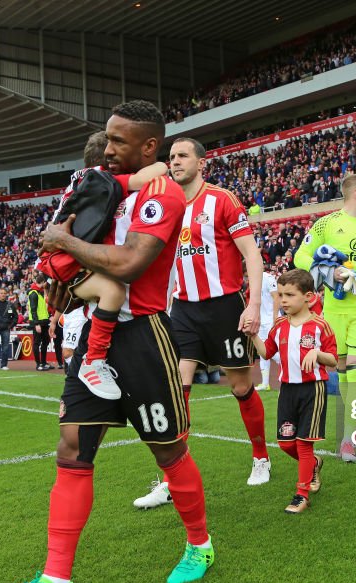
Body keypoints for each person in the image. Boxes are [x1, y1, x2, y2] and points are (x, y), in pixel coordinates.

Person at [0, 101, 213, 583]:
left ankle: (199, 544)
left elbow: (132, 263)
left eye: (118, 141)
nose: (108, 148)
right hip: (99, 333)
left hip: (145, 339)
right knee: (72, 449)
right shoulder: (109, 186)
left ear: (148, 146)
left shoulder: (162, 196)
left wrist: (63, 242)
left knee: (168, 453)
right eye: (107, 139)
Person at [134, 136, 268, 512]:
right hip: (185, 311)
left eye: (182, 156)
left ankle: (260, 456)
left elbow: (252, 256)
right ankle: (171, 479)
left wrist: (252, 304)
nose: (174, 162)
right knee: (178, 388)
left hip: (225, 307)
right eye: (171, 156)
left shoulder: (222, 200)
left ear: (201, 163)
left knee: (241, 387)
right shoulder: (166, 206)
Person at [37, 130, 170, 392]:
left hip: (58, 258)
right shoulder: (98, 180)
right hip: (61, 260)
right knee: (113, 289)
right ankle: (94, 359)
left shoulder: (83, 180)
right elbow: (145, 177)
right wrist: (162, 164)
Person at [294, 173, 356, 463]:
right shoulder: (326, 223)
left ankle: (349, 436)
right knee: (340, 370)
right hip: (335, 310)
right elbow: (301, 257)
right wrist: (327, 269)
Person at [250, 269, 337, 514]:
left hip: (313, 390)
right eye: (280, 295)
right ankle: (314, 465)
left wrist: (316, 353)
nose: (283, 300)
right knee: (286, 443)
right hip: (287, 389)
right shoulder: (278, 326)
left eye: (289, 294)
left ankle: (301, 494)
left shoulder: (321, 326)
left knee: (303, 443)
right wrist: (253, 335)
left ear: (308, 297)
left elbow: (333, 360)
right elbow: (266, 353)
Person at [256, 264, 280, 391]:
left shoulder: (268, 278)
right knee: (262, 351)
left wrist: (275, 317)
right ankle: (265, 383)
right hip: (261, 321)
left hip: (270, 319)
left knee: (271, 350)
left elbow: (276, 297)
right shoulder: (254, 280)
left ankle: (290, 364)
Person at [28, 282, 53, 371]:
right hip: (38, 322)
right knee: (36, 342)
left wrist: (48, 317)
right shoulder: (34, 293)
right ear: (42, 282)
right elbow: (33, 310)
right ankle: (38, 364)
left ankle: (43, 362)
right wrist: (36, 324)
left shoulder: (40, 292)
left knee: (46, 341)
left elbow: (42, 308)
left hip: (44, 321)